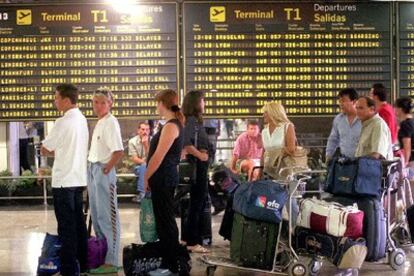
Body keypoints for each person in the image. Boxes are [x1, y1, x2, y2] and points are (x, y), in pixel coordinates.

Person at [40, 84, 88, 275]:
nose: (55, 100)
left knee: (66, 228)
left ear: (67, 100)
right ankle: (82, 264)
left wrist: (49, 150)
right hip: (78, 179)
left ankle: (68, 269)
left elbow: (46, 148)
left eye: (57, 97)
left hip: (63, 181)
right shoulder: (82, 120)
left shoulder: (62, 122)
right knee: (79, 225)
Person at [143, 89, 185, 276]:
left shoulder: (171, 126)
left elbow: (159, 156)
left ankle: (171, 264)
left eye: (157, 102)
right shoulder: (170, 124)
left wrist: (146, 176)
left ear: (162, 103)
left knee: (166, 220)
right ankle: (169, 260)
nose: (156, 106)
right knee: (163, 220)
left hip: (163, 178)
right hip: (162, 177)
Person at [87, 87, 124, 274]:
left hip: (103, 169)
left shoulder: (111, 122)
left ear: (110, 103)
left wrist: (107, 169)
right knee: (98, 216)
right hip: (93, 168)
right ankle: (103, 257)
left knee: (109, 217)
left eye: (102, 102)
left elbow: (118, 151)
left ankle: (112, 260)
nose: (98, 106)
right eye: (95, 102)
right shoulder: (100, 122)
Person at [182, 90, 211, 253]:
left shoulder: (193, 121)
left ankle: (188, 238)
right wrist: (201, 155)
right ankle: (192, 242)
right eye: (202, 100)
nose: (204, 103)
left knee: (196, 204)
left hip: (199, 167)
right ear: (196, 103)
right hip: (197, 168)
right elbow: (187, 143)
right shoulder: (192, 120)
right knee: (196, 205)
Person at [261, 102, 296, 179]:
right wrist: (260, 170)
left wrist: (275, 155)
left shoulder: (287, 127)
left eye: (265, 112)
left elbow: (291, 149)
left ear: (273, 112)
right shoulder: (264, 131)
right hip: (268, 171)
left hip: (283, 170)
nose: (263, 115)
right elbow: (263, 152)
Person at [326, 88, 361, 160]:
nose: (341, 104)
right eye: (340, 101)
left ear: (354, 102)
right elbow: (333, 140)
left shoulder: (363, 119)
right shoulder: (338, 119)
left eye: (343, 101)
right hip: (345, 163)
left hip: (362, 163)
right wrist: (328, 156)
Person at [128, 121, 150, 202]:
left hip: (151, 165)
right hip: (138, 166)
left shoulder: (153, 140)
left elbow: (153, 156)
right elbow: (134, 158)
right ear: (138, 131)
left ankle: (142, 194)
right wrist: (145, 162)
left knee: (145, 166)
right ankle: (143, 193)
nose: (145, 132)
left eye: (147, 130)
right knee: (143, 166)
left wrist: (146, 145)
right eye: (143, 129)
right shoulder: (132, 141)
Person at [395, 97, 414, 178]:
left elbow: (407, 145)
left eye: (395, 107)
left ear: (400, 109)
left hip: (411, 161)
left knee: (410, 186)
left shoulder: (405, 124)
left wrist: (405, 163)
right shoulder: (412, 122)